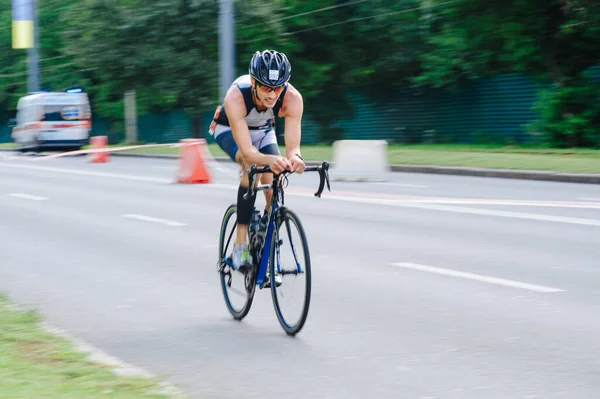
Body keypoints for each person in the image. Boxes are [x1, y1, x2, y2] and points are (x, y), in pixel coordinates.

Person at [209, 49, 306, 274]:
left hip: (263, 130)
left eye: (277, 88)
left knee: (277, 181)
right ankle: (241, 243)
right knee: (249, 164)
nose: (272, 95)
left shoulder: (292, 99)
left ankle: (265, 230)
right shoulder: (235, 97)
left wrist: (295, 159)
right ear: (253, 82)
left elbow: (293, 148)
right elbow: (248, 151)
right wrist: (271, 159)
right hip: (228, 129)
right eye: (265, 87)